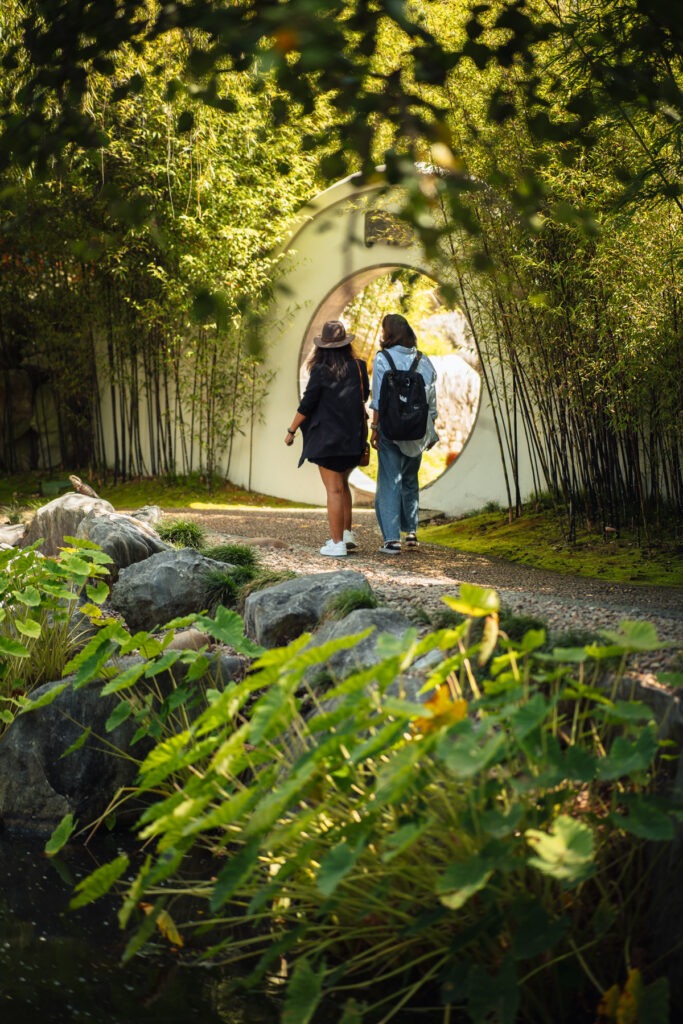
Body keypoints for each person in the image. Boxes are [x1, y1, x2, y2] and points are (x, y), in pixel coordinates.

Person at [285, 320, 369, 557]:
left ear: (323, 347)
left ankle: (337, 543)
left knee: (333, 490)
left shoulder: (321, 370)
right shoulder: (359, 367)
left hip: (328, 441)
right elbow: (363, 395)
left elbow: (307, 404)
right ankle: (346, 533)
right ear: (345, 345)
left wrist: (291, 431)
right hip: (353, 439)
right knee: (342, 486)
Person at [369, 313, 438, 554]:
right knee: (410, 479)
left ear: (388, 334)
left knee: (390, 481)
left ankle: (391, 540)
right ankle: (410, 533)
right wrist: (431, 429)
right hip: (417, 431)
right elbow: (431, 399)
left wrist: (374, 429)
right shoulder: (423, 359)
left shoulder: (382, 359)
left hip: (391, 430)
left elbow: (378, 400)